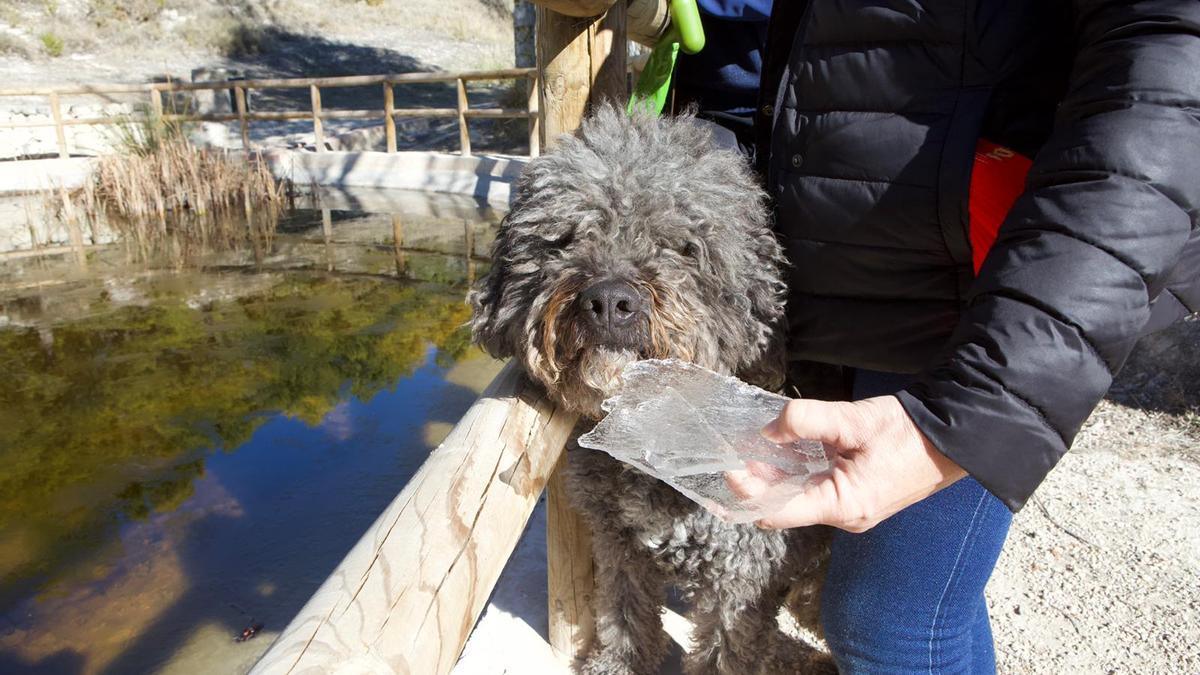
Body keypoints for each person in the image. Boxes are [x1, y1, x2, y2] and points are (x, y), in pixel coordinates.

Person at [694, 1, 1200, 673]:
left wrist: (977, 410)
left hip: (974, 284)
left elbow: (1165, 88)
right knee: (920, 605)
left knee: (889, 618)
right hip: (859, 276)